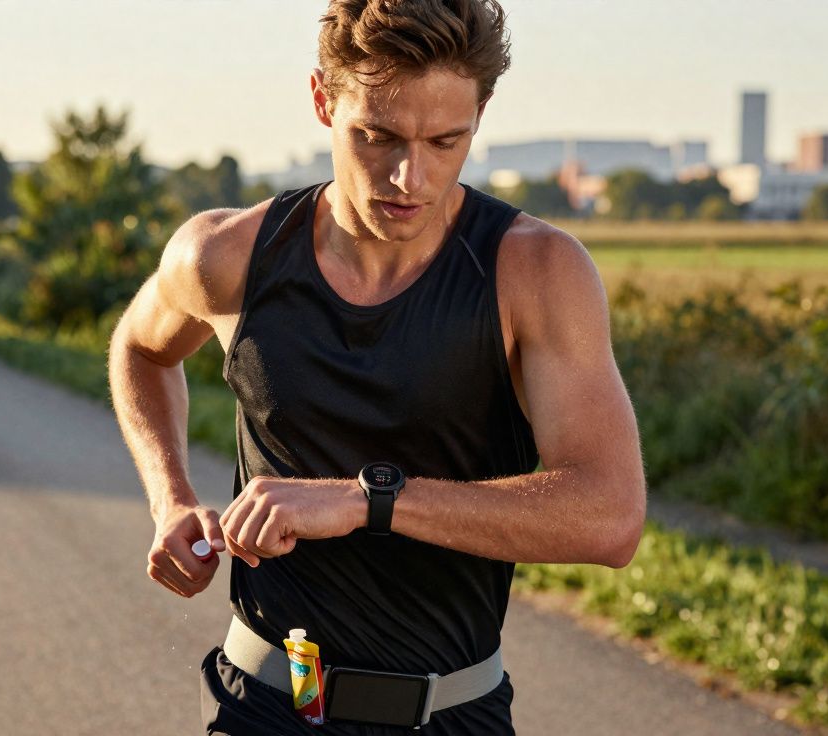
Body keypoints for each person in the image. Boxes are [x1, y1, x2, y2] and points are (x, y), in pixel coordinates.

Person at [108, 1, 646, 733]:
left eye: (445, 141)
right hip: (261, 706)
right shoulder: (225, 255)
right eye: (378, 136)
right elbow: (140, 348)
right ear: (323, 101)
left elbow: (610, 517)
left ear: (481, 113)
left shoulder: (536, 271)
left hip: (452, 715)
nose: (409, 177)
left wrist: (367, 501)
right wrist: (170, 498)